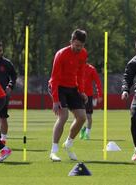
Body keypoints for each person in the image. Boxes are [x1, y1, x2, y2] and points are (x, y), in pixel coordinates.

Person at [48, 29, 88, 162]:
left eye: (80, 46)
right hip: (58, 87)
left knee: (82, 117)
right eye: (76, 45)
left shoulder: (83, 54)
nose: (78, 48)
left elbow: (81, 74)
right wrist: (55, 100)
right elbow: (54, 78)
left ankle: (68, 144)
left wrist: (81, 91)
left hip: (72, 88)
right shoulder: (61, 54)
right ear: (71, 42)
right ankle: (54, 151)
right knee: (63, 116)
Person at [79, 63, 102, 140]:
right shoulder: (76, 67)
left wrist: (99, 94)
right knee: (79, 116)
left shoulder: (91, 69)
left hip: (88, 96)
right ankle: (82, 129)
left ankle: (87, 134)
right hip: (78, 95)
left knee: (88, 116)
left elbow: (97, 82)